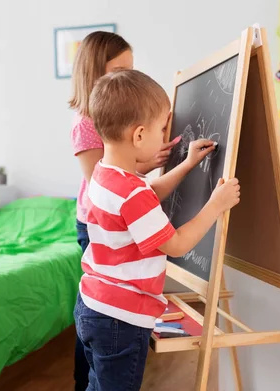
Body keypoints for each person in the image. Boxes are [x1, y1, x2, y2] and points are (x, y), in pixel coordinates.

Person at [74, 69, 240, 391]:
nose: (166, 134)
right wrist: (215, 206)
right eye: (161, 128)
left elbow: (146, 197)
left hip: (93, 306)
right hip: (120, 319)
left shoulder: (105, 175)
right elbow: (176, 244)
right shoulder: (132, 194)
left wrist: (187, 164)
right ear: (138, 136)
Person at [68, 31, 178, 391]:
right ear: (94, 73)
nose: (126, 77)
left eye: (131, 69)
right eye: (118, 70)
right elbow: (113, 180)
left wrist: (151, 161)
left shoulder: (122, 139)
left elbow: (125, 177)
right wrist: (145, 163)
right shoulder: (87, 125)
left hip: (118, 214)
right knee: (104, 311)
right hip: (99, 222)